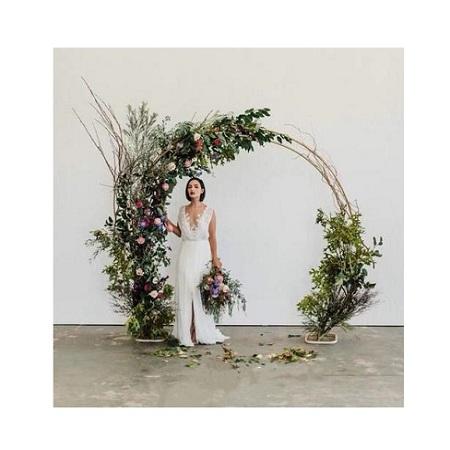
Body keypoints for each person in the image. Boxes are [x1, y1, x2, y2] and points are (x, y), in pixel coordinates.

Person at [164, 177, 230, 347]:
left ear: (202, 190)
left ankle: (198, 330)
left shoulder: (210, 211)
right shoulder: (181, 210)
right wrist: (171, 227)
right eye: (189, 187)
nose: (192, 189)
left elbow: (212, 237)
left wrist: (215, 259)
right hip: (186, 253)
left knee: (199, 291)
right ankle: (186, 331)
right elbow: (181, 233)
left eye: (196, 186)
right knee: (186, 289)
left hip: (202, 254)